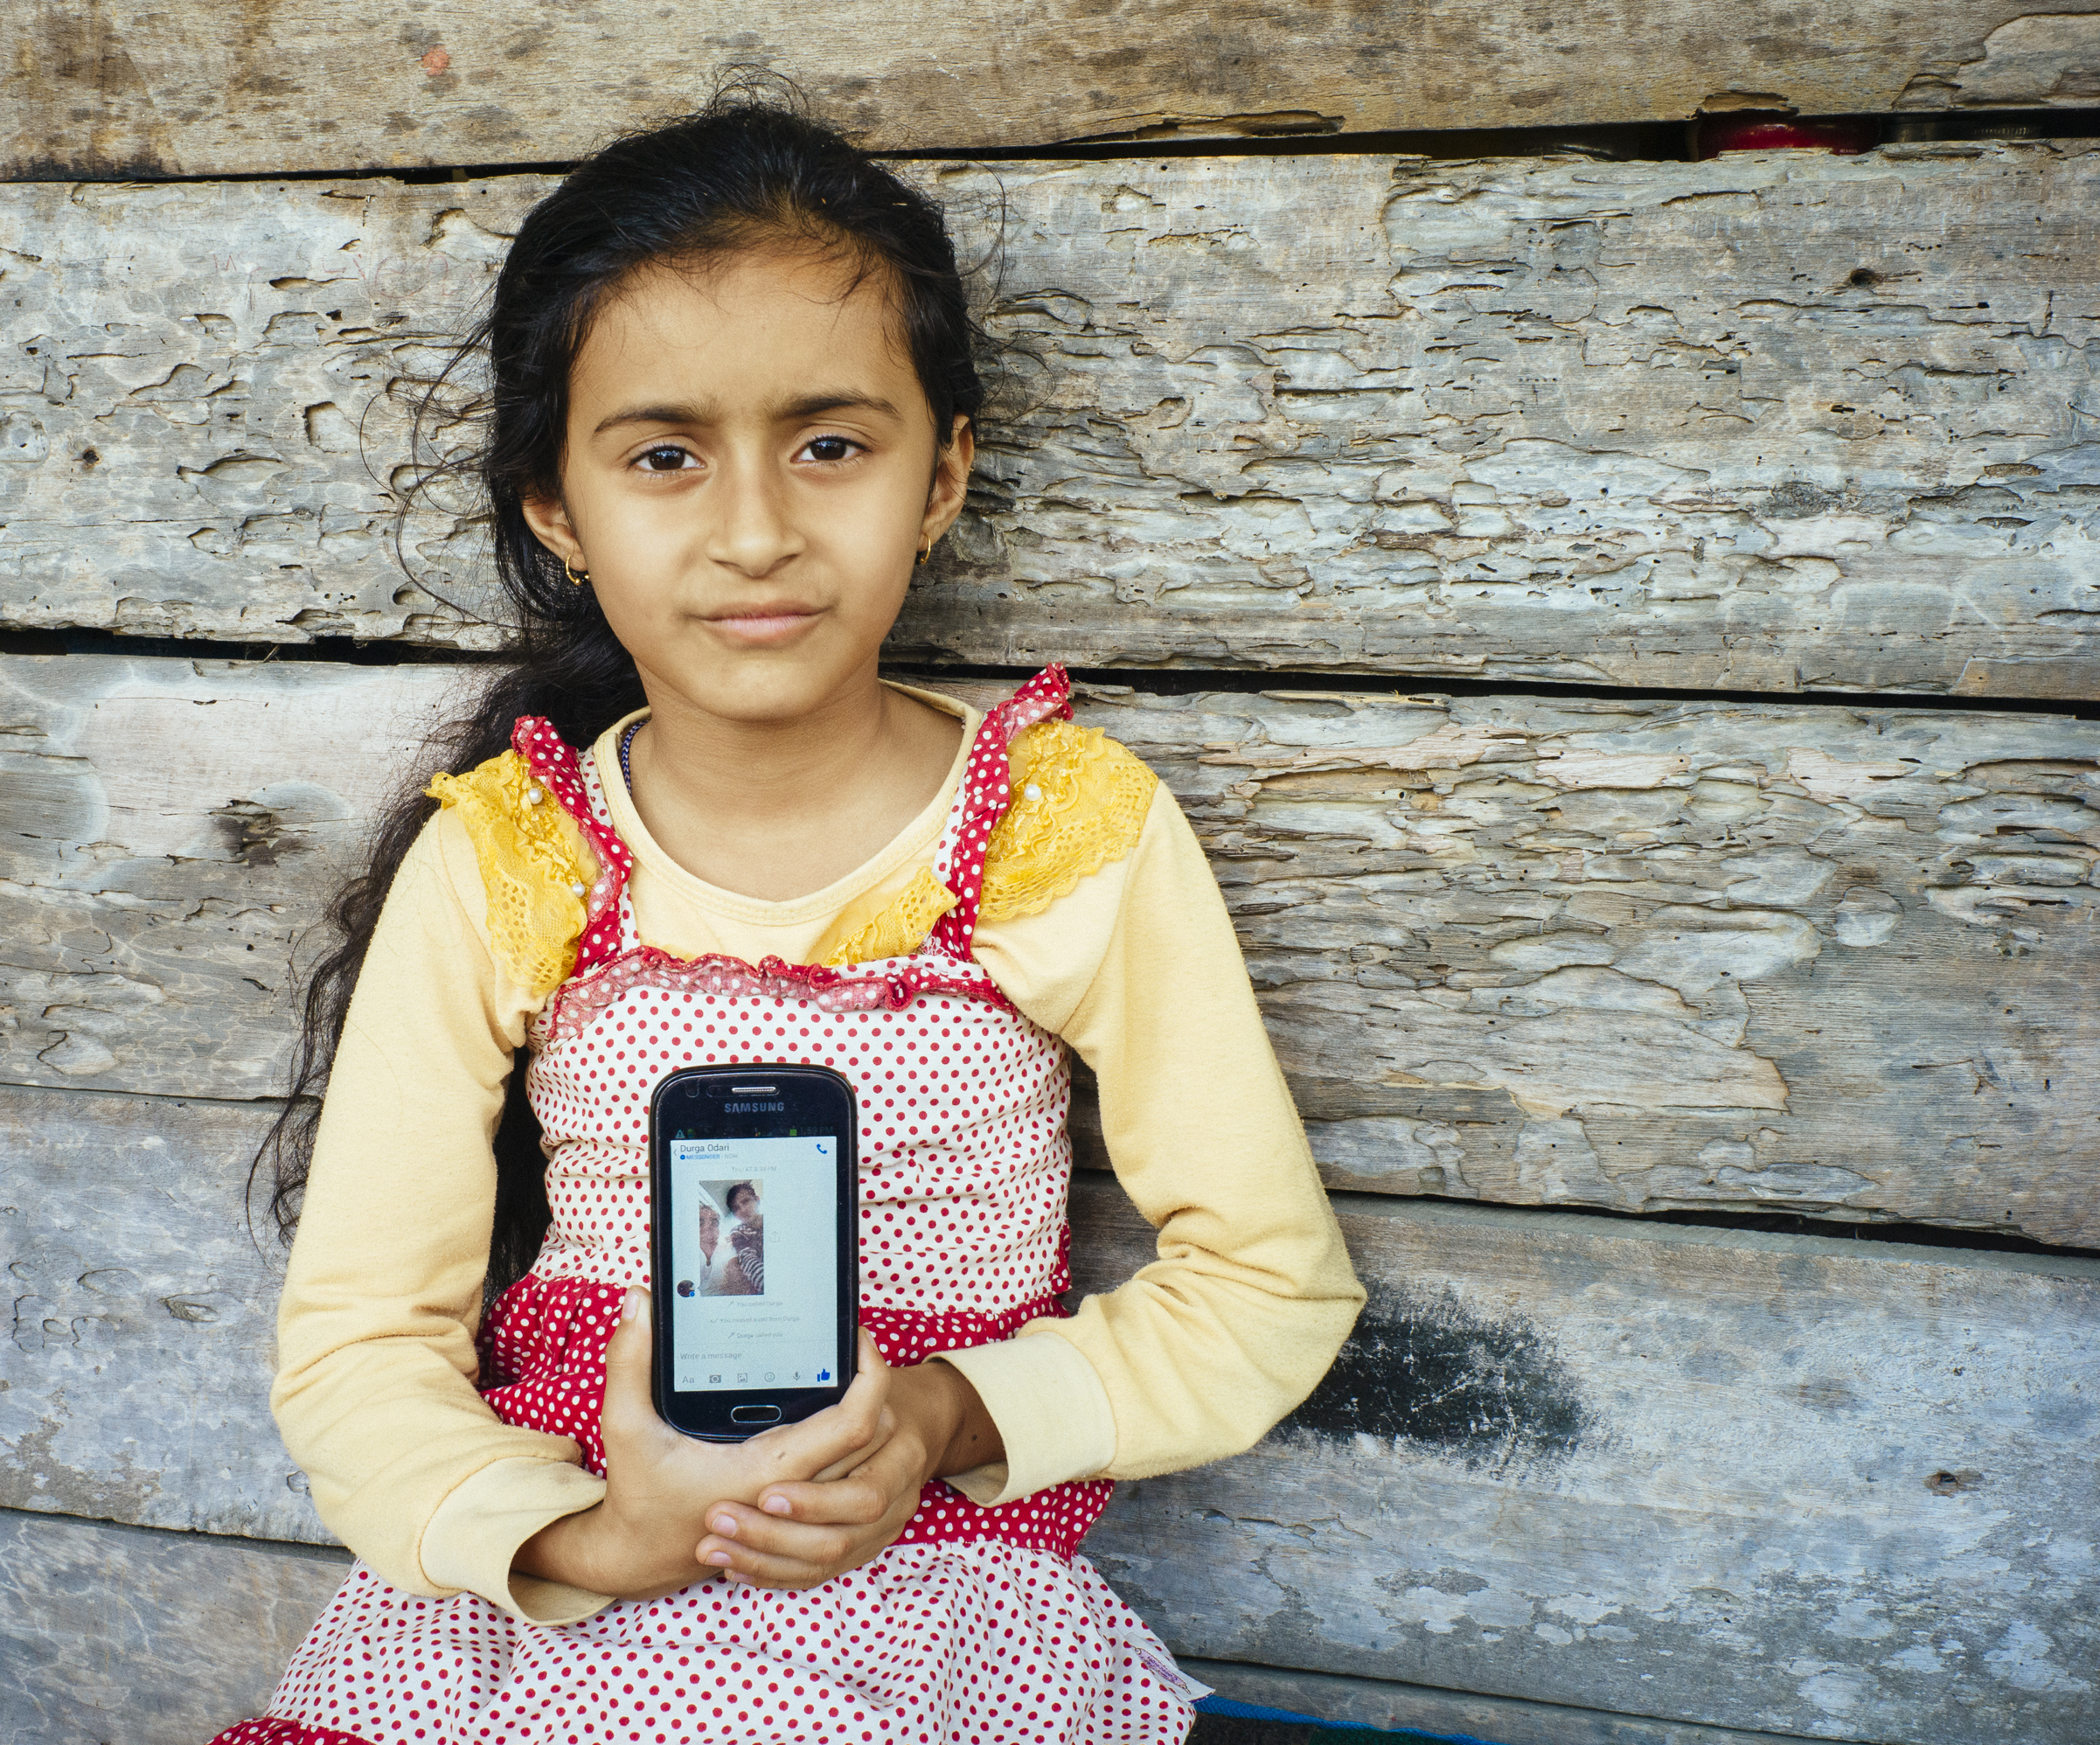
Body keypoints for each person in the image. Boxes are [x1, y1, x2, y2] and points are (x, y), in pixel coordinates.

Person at [211, 95, 1364, 1745]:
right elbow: (359, 1341)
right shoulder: (505, 859)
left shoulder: (1060, 833)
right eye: (664, 455)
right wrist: (590, 1536)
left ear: (942, 471)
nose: (755, 528)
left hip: (937, 1595)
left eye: (831, 442)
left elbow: (1269, 1281)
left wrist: (944, 1419)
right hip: (544, 1610)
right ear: (556, 505)